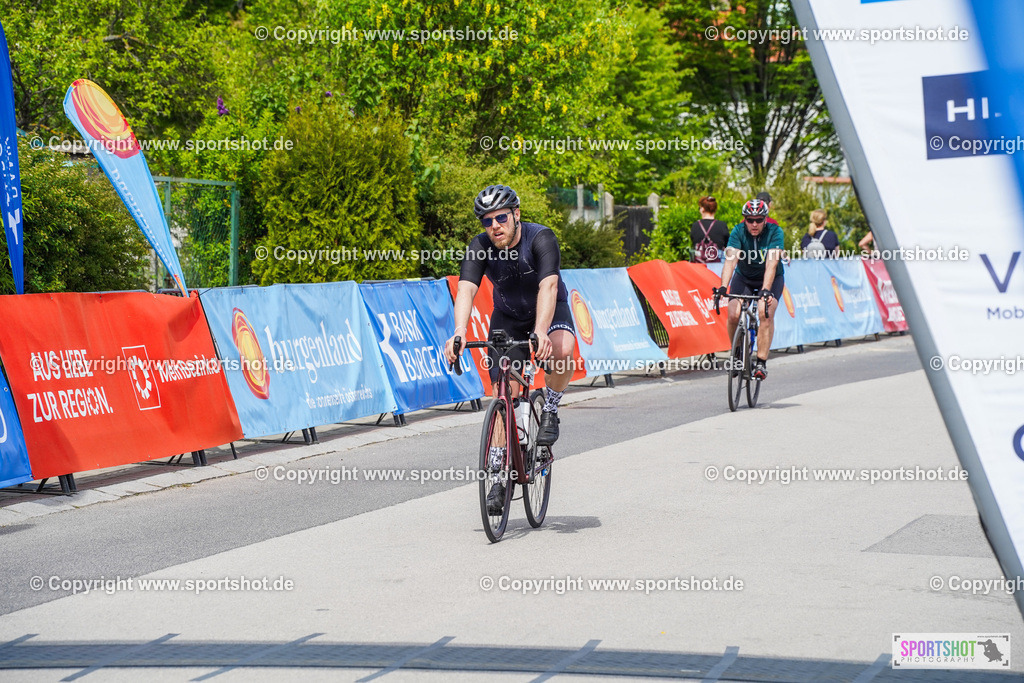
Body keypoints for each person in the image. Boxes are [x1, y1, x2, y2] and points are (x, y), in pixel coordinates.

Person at [444, 184, 577, 513]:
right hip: (508, 318)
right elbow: (465, 289)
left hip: (548, 311)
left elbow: (548, 285)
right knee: (505, 390)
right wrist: (459, 331)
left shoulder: (540, 238)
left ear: (516, 215)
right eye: (487, 222)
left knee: (562, 348)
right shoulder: (481, 246)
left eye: (501, 218)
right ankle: (501, 475)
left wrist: (542, 331)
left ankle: (551, 409)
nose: (494, 227)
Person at [712, 198, 785, 381]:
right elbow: (731, 260)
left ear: (765, 219)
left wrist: (766, 290)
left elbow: (772, 262)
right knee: (733, 314)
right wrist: (723, 286)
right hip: (744, 277)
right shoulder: (738, 231)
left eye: (759, 220)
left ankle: (761, 362)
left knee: (764, 312)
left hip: (770, 278)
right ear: (744, 219)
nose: (754, 224)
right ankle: (736, 353)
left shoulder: (775, 231)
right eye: (750, 220)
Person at [690, 196, 730, 263]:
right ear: (715, 209)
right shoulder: (722, 225)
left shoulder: (695, 226)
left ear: (702, 209)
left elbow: (693, 242)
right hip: (717, 264)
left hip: (699, 265)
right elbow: (727, 245)